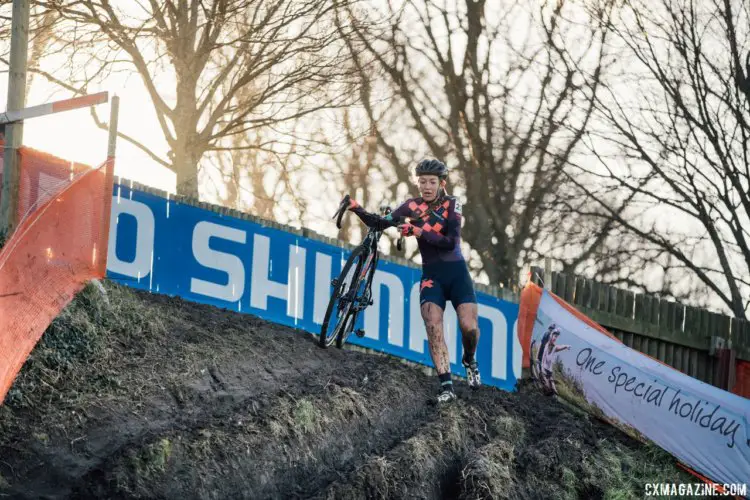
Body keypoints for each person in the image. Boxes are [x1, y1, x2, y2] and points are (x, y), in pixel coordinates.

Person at [347, 158, 480, 404]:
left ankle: (469, 359)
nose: (426, 187)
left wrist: (418, 231)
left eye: (431, 182)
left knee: (469, 327)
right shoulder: (411, 206)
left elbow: (451, 241)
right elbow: (380, 223)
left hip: (457, 273)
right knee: (433, 324)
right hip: (432, 276)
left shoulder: (453, 204)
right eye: (422, 182)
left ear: (442, 183)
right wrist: (356, 207)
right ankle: (447, 386)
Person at [540, 328, 570, 395]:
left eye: (556, 337)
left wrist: (566, 346)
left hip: (549, 370)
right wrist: (542, 369)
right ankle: (546, 389)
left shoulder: (554, 347)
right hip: (544, 369)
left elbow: (560, 347)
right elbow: (543, 358)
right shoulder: (547, 345)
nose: (555, 338)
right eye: (554, 336)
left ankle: (553, 391)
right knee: (547, 385)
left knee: (552, 386)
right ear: (551, 335)